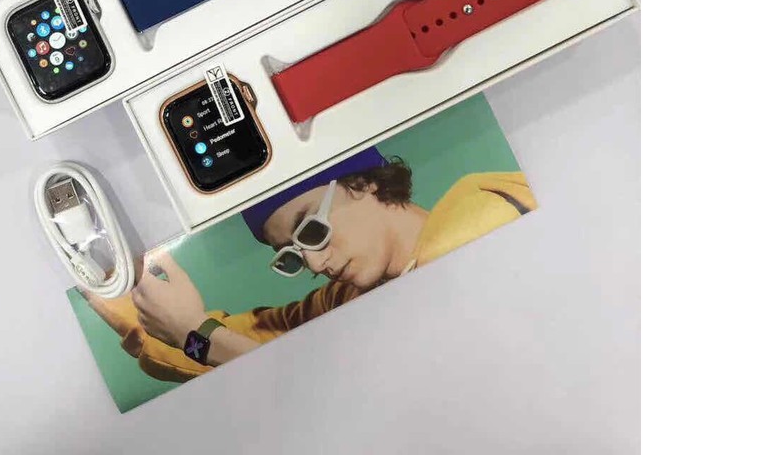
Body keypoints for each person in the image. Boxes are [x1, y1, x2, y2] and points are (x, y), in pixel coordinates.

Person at [85, 147, 535, 382]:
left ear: (364, 183)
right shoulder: (347, 299)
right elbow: (249, 334)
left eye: (311, 229)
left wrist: (196, 335)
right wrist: (117, 281)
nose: (316, 263)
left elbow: (344, 394)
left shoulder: (485, 211)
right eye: (293, 255)